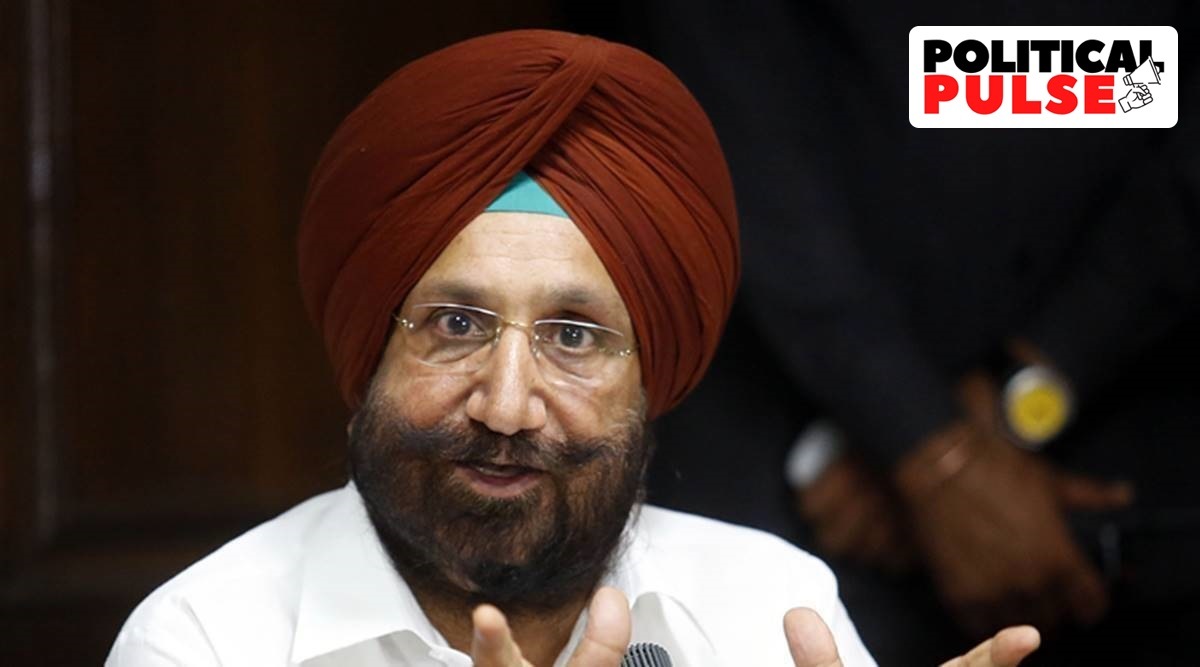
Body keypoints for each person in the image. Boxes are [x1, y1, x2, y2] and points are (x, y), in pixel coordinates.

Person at [106, 30, 1039, 667]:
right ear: (368, 352)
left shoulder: (772, 608)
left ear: (650, 376)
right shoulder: (207, 640)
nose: (507, 405)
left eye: (573, 336)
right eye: (456, 325)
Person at [607, 1, 1200, 664]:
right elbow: (746, 134)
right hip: (795, 469)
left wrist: (961, 441)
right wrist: (923, 443)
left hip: (1126, 471)